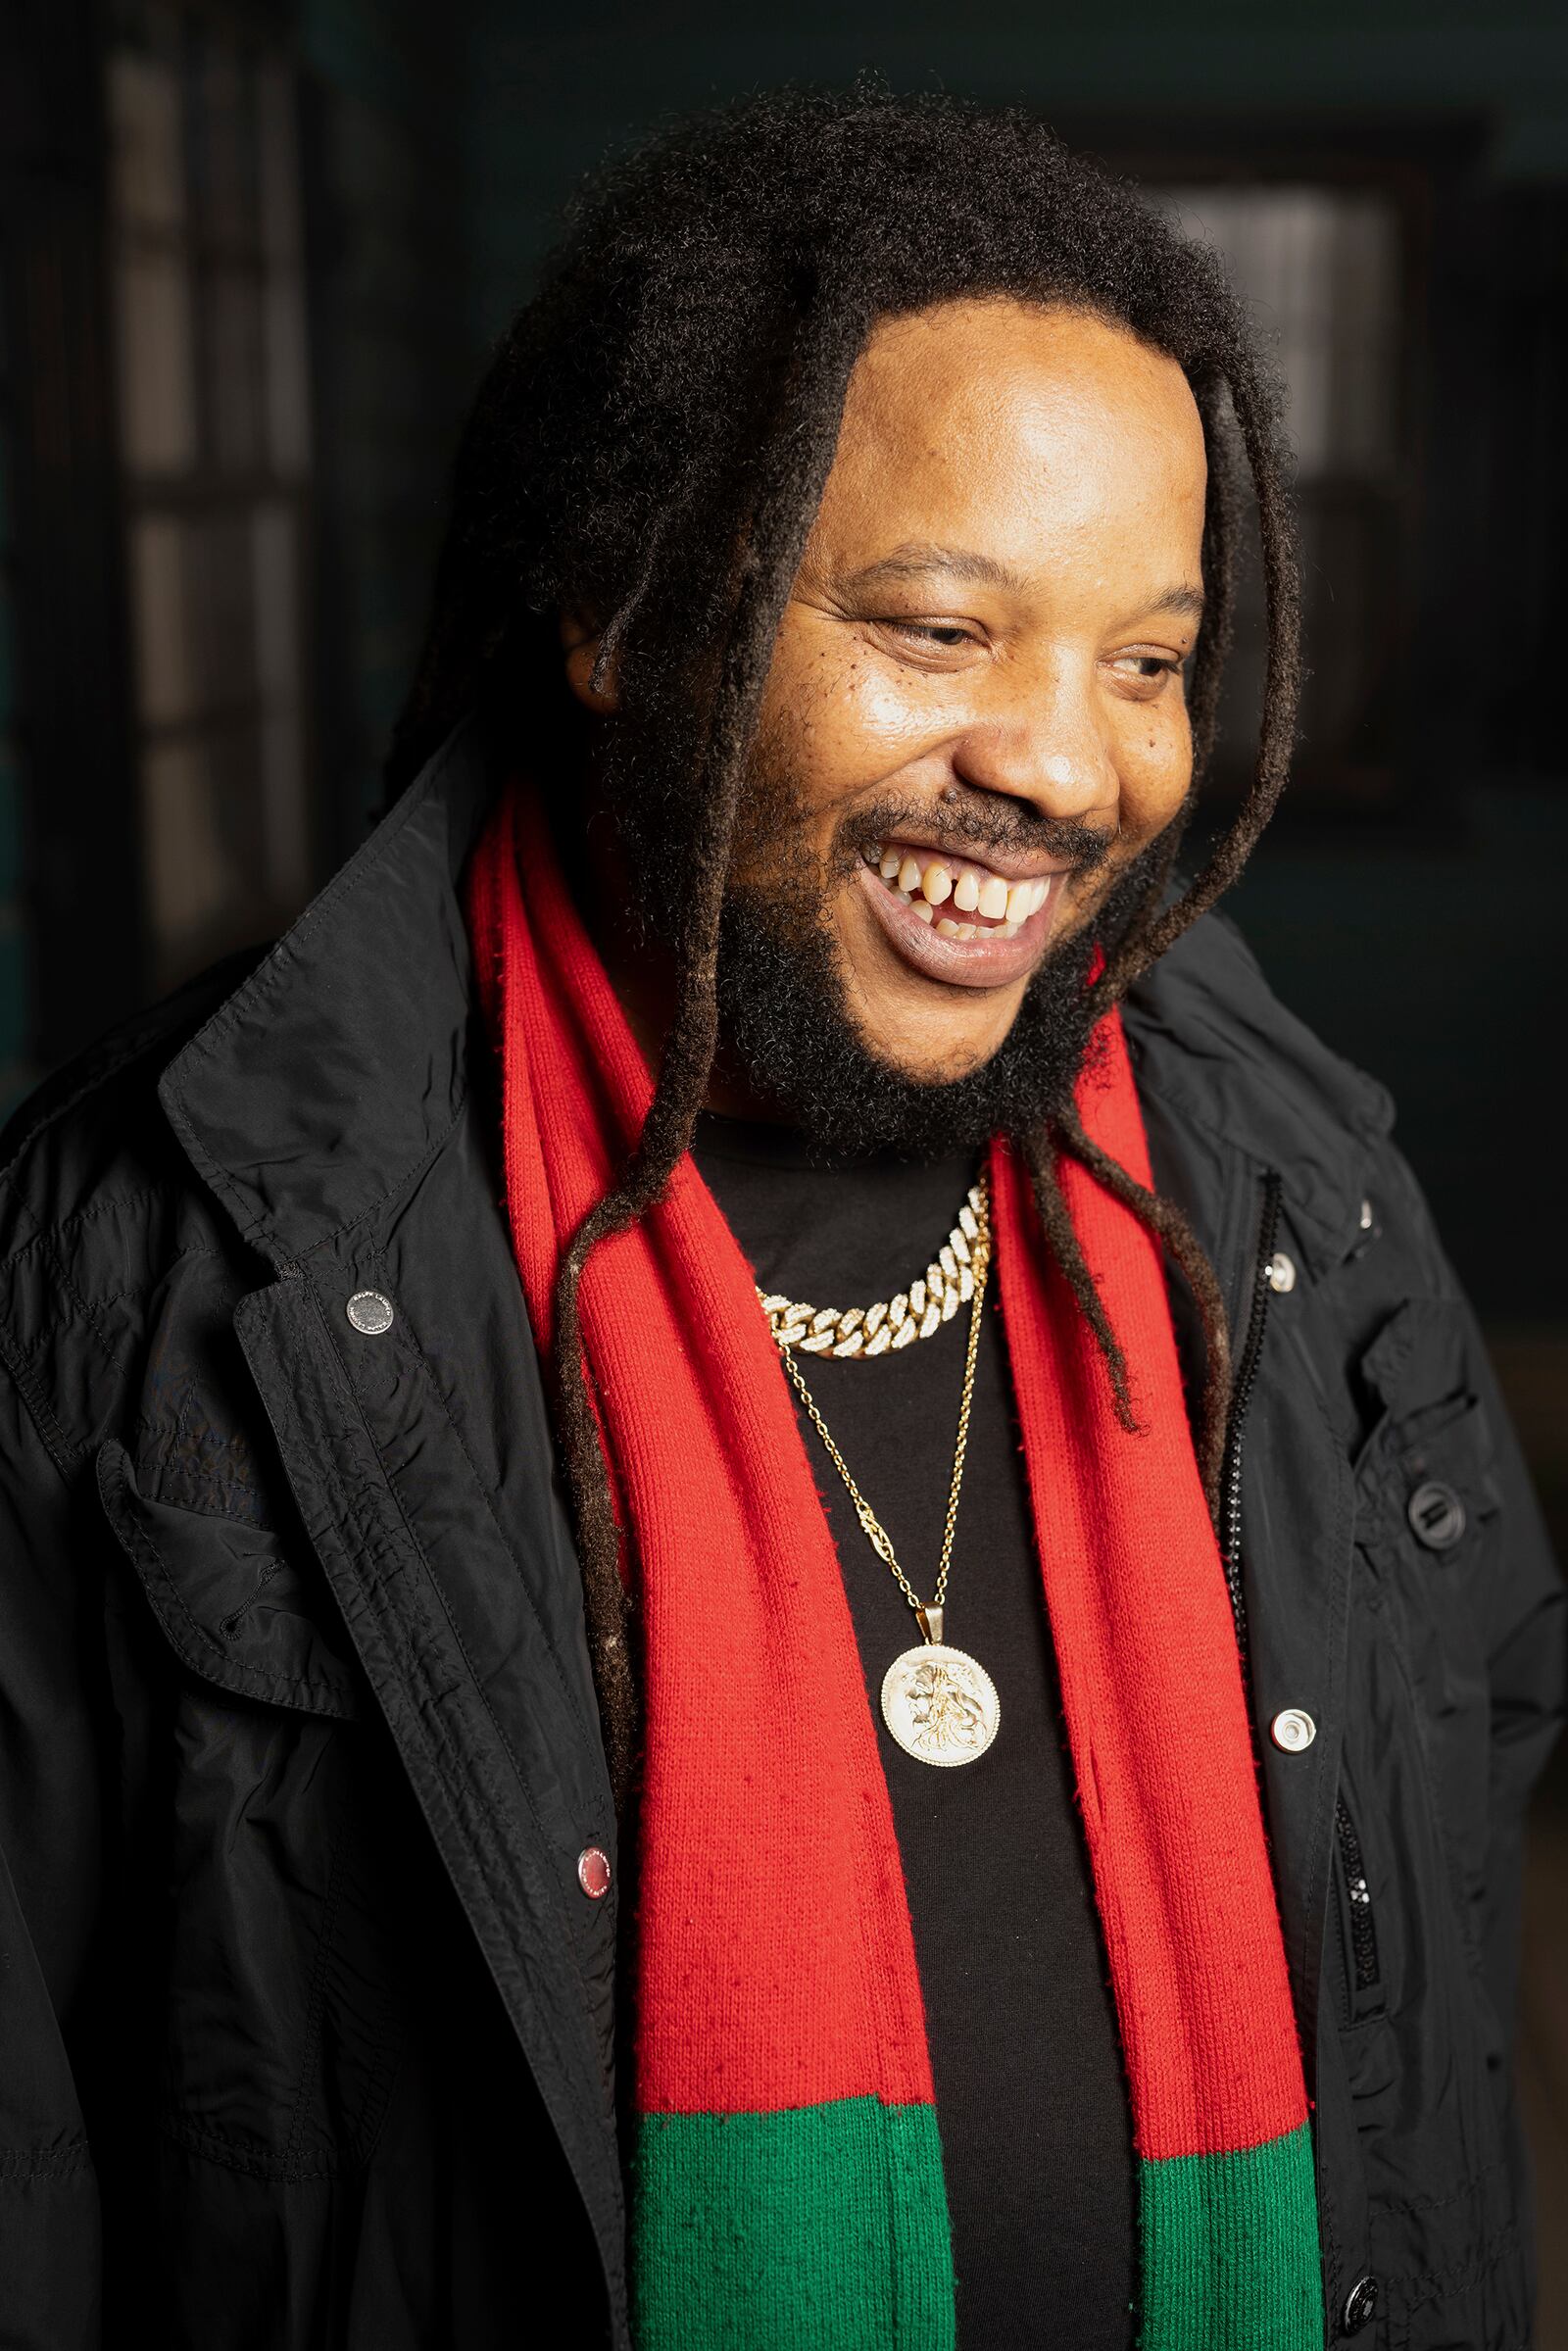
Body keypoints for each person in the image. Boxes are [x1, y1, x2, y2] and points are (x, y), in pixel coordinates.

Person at [1, 87, 1560, 2351]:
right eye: (937, 626)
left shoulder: (1292, 1195)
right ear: (623, 613)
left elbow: (1440, 1900)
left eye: (1146, 660)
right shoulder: (142, 1266)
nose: (1066, 766)